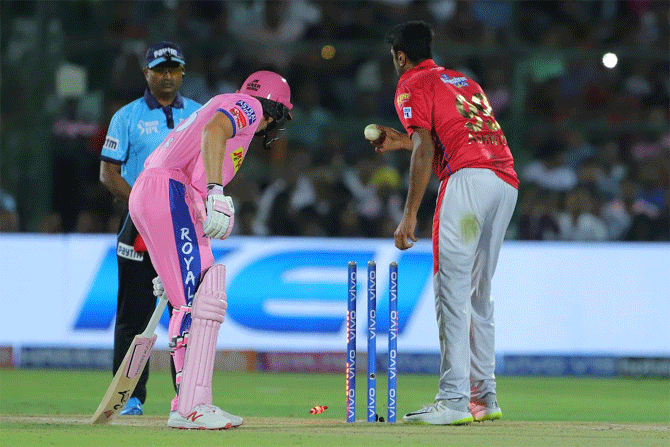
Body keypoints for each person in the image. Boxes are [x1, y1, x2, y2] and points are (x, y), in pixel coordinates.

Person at [372, 21, 519, 425]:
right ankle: (483, 397)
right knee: (478, 294)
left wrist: (408, 215)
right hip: (504, 181)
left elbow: (425, 147)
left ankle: (453, 400)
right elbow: (443, 139)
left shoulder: (411, 82)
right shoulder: (463, 81)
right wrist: (402, 140)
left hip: (469, 183)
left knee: (450, 290)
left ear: (401, 56)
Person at [128, 70, 292, 429]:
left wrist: (165, 265)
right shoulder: (246, 105)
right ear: (276, 109)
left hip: (157, 191)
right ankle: (193, 407)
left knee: (195, 295)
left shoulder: (222, 104)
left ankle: (183, 403)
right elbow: (214, 130)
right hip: (169, 191)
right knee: (201, 301)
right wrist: (217, 192)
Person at [99, 41, 201, 416]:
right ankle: (130, 398)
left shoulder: (199, 114)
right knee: (133, 315)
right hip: (139, 227)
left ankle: (188, 395)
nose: (168, 76)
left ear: (183, 73)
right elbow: (108, 173)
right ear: (146, 74)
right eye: (160, 70)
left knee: (186, 310)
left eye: (174, 69)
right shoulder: (126, 117)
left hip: (185, 228)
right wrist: (146, 207)